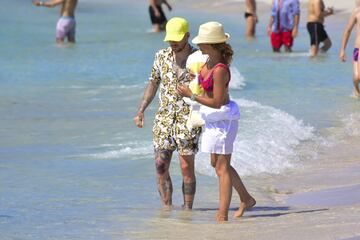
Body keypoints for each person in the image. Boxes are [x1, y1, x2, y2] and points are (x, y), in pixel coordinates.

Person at [177, 21, 256, 221]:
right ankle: (246, 198)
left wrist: (192, 96)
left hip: (223, 118)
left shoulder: (220, 69)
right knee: (216, 163)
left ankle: (222, 214)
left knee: (222, 166)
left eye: (202, 42)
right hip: (211, 118)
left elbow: (218, 102)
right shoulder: (207, 63)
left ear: (211, 45)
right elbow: (203, 85)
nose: (199, 45)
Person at [134, 17, 201, 210]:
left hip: (188, 119)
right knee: (160, 165)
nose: (173, 42)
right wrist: (141, 109)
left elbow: (208, 88)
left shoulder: (198, 59)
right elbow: (153, 82)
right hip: (163, 118)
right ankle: (167, 209)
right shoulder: (161, 56)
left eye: (177, 39)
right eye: (170, 39)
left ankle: (187, 210)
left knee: (186, 168)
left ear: (188, 36)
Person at [339, 0, 360, 98]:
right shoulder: (356, 12)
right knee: (357, 77)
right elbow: (347, 31)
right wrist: (342, 49)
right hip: (358, 50)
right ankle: (356, 87)